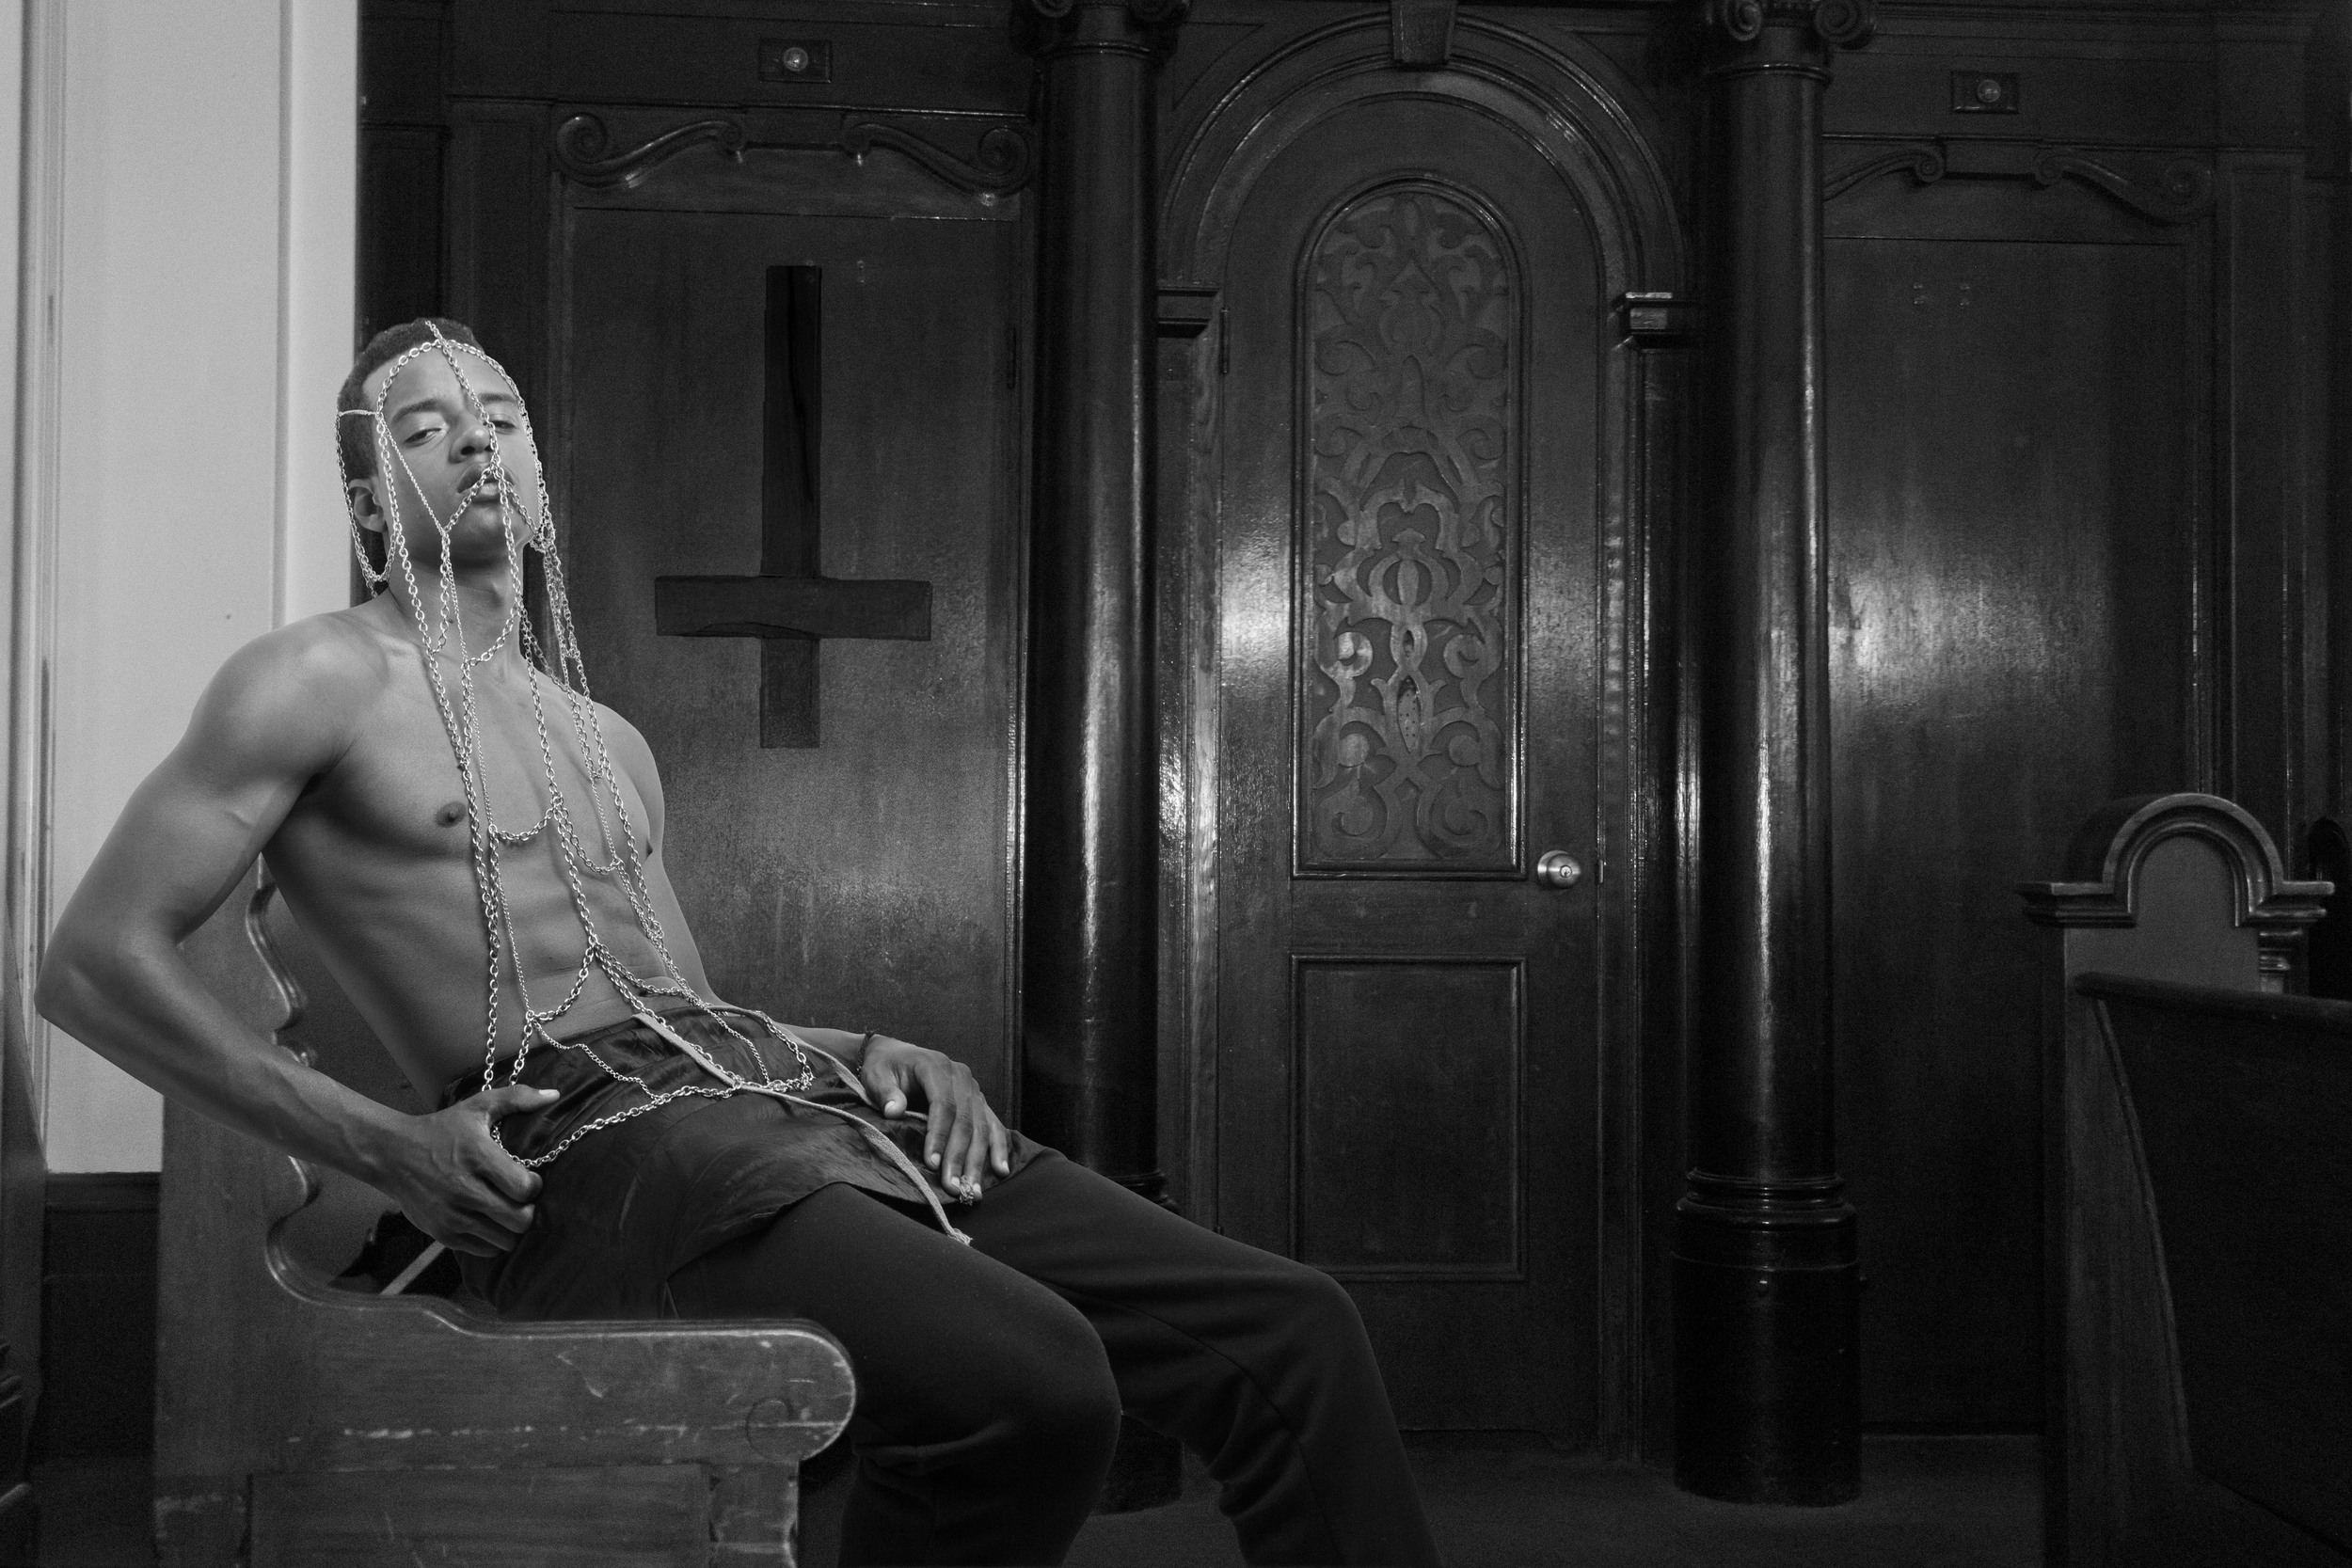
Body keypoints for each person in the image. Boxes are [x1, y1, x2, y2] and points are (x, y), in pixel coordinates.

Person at [36, 319, 1442, 1568]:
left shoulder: (607, 739)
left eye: (501, 418)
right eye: (424, 427)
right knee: (1032, 1384)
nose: (475, 440)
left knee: (1292, 1331)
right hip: (585, 1159)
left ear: (537, 472)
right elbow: (90, 963)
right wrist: (388, 1146)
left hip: (754, 1097)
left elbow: (673, 1007)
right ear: (366, 501)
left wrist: (867, 1049)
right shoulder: (315, 676)